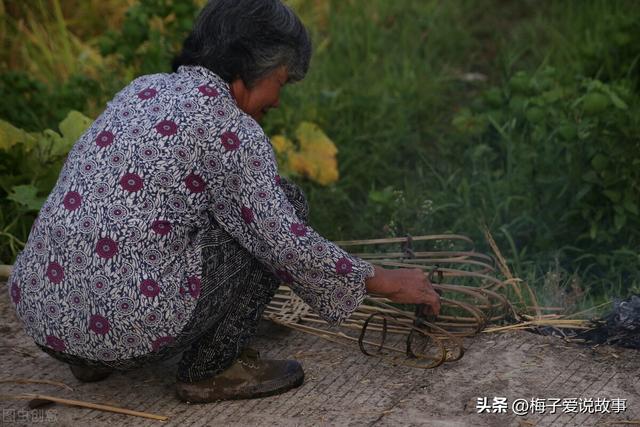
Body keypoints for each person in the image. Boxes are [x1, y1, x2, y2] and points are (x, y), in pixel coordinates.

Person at [6, 0, 440, 403]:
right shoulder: (229, 128)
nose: (276, 100)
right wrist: (382, 279)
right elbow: (285, 246)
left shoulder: (142, 91)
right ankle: (212, 369)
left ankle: (88, 359)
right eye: (281, 82)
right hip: (126, 329)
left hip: (47, 320)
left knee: (213, 216)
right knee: (283, 206)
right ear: (254, 67)